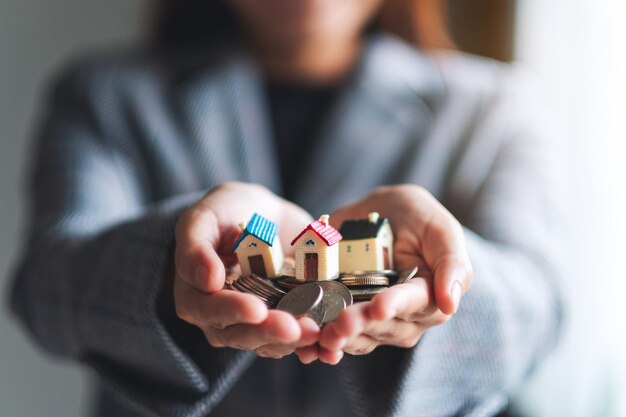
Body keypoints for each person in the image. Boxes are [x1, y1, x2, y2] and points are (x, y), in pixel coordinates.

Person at [10, 0, 564, 416]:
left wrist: (446, 277)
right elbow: (44, 287)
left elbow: (544, 308)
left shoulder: (493, 107)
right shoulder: (105, 93)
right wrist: (174, 258)